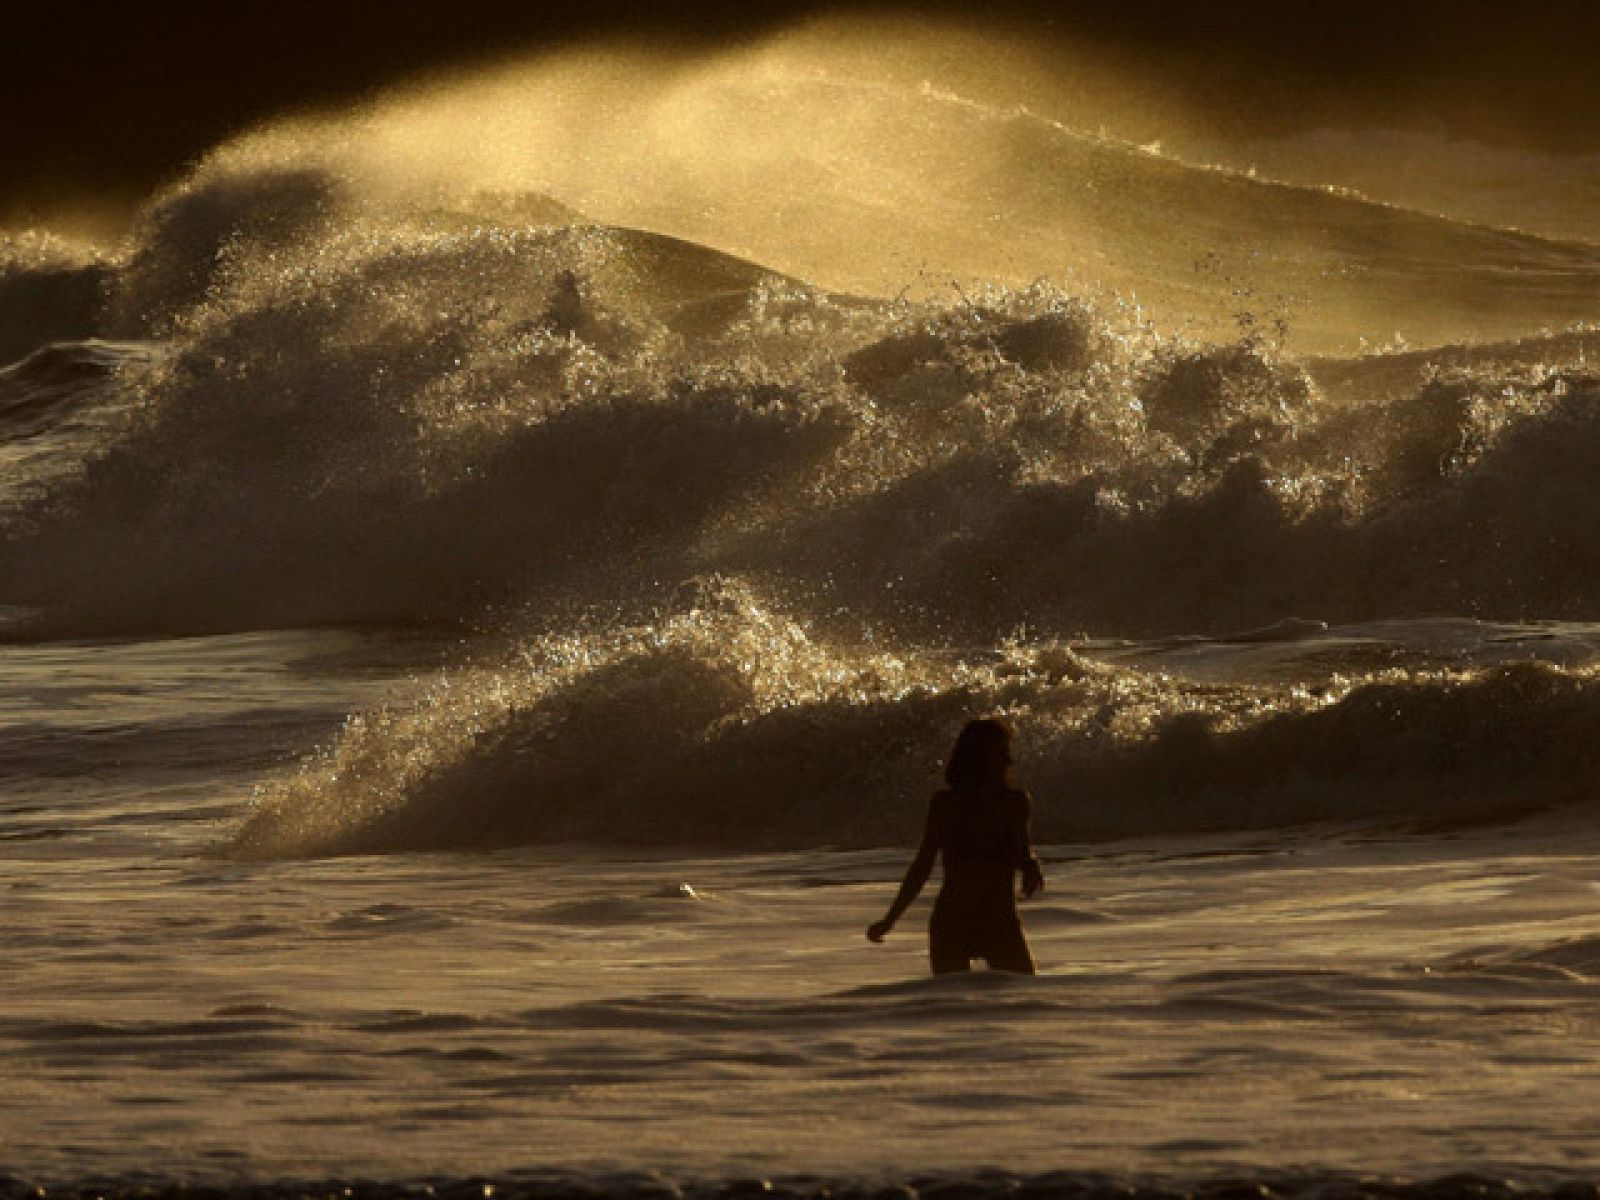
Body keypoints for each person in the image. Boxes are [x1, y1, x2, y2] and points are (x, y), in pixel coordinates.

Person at [866, 718, 1045, 974]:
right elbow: (922, 866)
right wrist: (890, 919)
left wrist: (1031, 867)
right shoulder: (945, 805)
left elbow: (1022, 852)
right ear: (978, 757)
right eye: (1001, 753)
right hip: (953, 922)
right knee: (949, 1006)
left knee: (1022, 1001)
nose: (1009, 761)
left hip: (1000, 921)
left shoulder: (1015, 802)